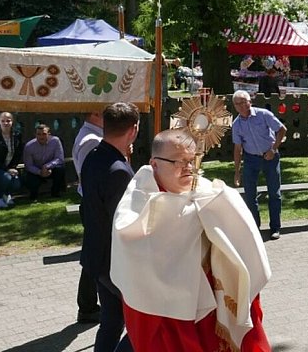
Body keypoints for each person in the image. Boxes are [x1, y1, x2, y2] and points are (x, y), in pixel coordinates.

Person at [111, 129, 272, 352]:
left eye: (191, 160)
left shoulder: (208, 191)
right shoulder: (138, 197)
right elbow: (129, 237)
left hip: (212, 299)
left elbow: (239, 236)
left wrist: (220, 207)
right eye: (178, 161)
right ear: (154, 163)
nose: (188, 168)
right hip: (166, 310)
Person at [80, 102, 138, 352]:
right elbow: (124, 223)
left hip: (96, 254)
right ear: (134, 130)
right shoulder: (118, 171)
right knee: (139, 325)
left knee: (112, 322)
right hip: (113, 261)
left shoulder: (94, 155)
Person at [231, 90, 287, 239]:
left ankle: (275, 228)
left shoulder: (263, 114)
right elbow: (238, 149)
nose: (242, 106)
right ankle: (255, 228)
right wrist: (237, 172)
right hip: (251, 159)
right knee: (250, 195)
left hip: (270, 156)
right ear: (235, 107)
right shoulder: (236, 125)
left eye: (244, 102)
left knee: (274, 193)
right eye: (238, 104)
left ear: (250, 101)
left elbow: (282, 130)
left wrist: (273, 149)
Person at [72, 110, 104, 324]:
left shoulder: (93, 136)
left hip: (94, 203)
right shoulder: (91, 140)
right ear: (95, 113)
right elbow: (91, 176)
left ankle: (89, 304)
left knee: (95, 254)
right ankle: (87, 306)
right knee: (94, 256)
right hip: (94, 204)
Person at [22, 124, 66, 200]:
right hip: (36, 170)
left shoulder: (55, 141)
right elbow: (28, 165)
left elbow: (59, 158)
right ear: (35, 135)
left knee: (60, 169)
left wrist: (47, 166)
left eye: (44, 134)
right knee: (30, 178)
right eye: (39, 134)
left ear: (49, 134)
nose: (41, 137)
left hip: (50, 168)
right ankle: (33, 196)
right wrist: (40, 172)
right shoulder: (29, 146)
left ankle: (55, 193)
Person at [0, 112, 22, 208]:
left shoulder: (17, 134)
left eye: (8, 121)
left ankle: (6, 195)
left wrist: (13, 168)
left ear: (12, 122)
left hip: (9, 166)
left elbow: (18, 153)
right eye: (3, 121)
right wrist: (6, 169)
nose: (5, 123)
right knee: (6, 178)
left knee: (16, 182)